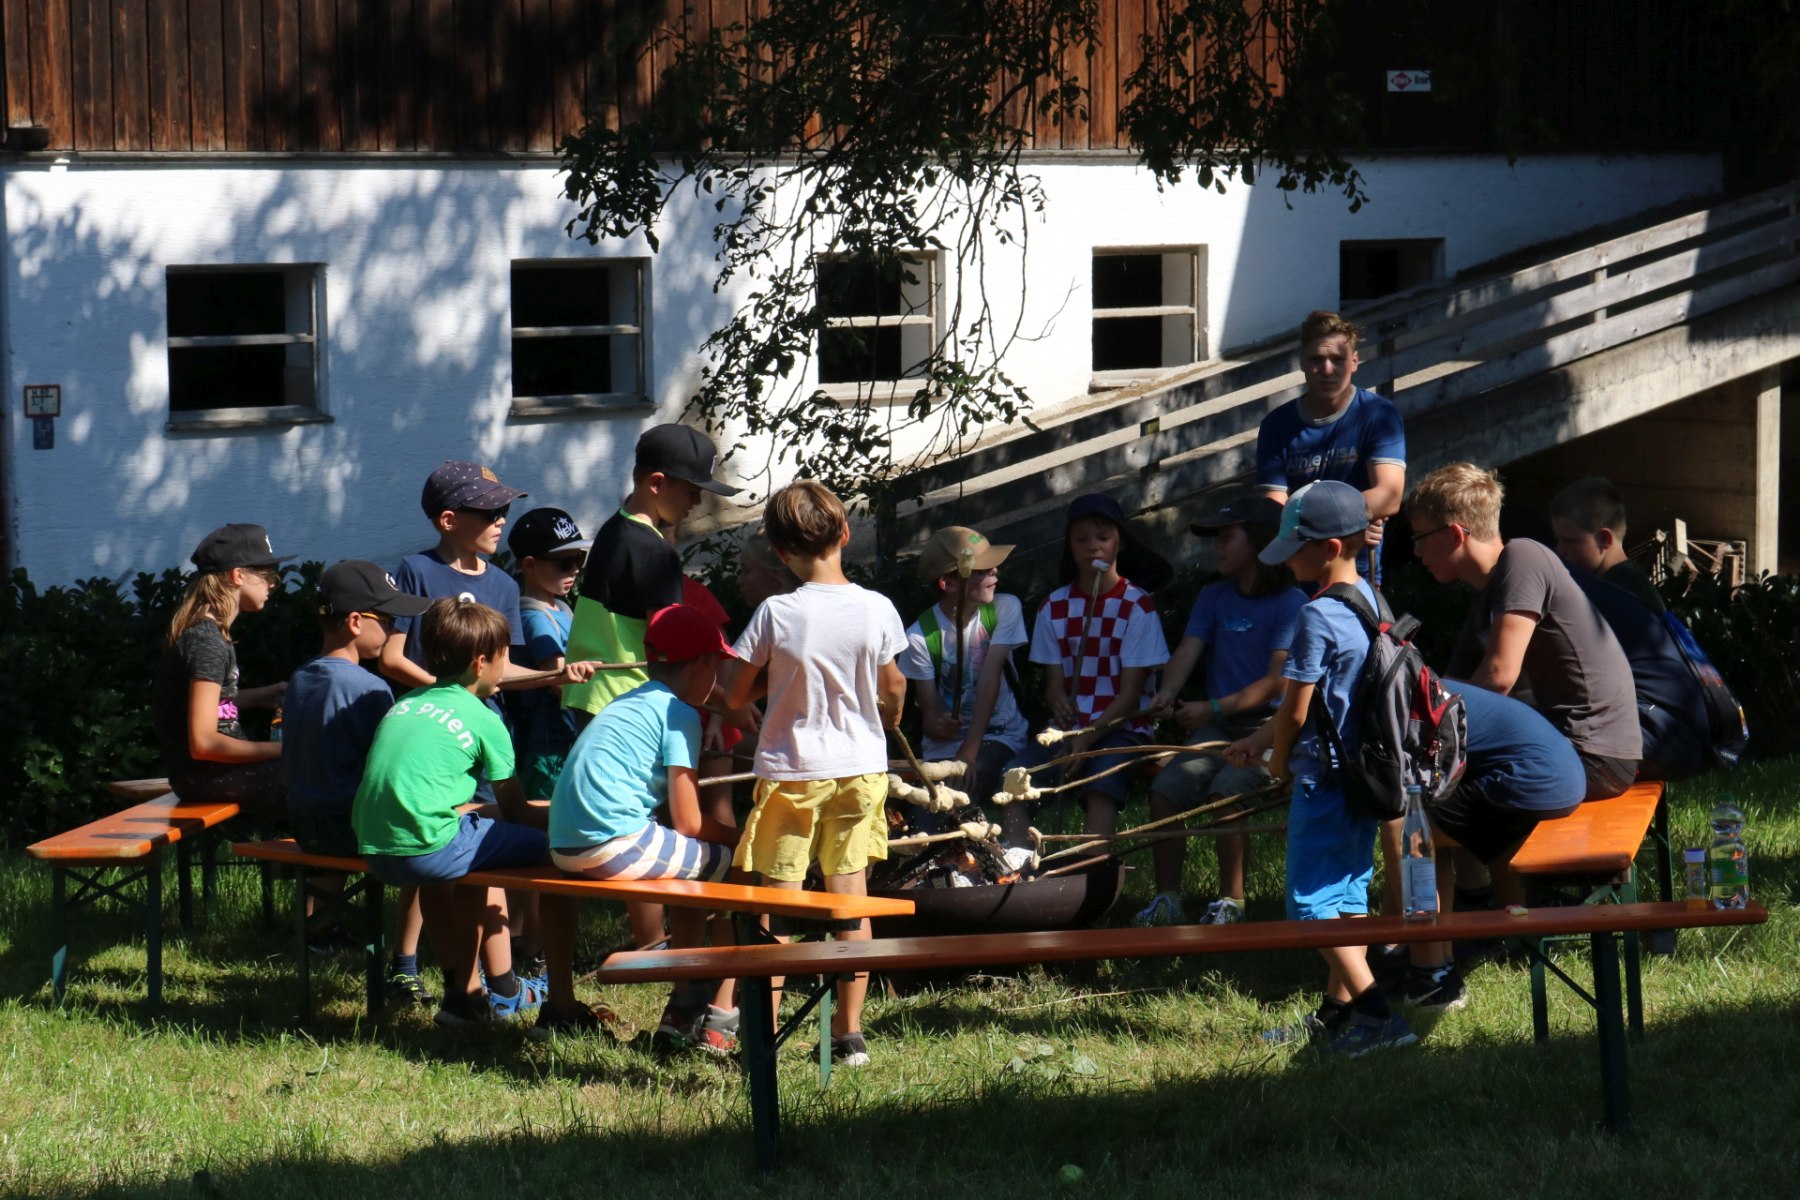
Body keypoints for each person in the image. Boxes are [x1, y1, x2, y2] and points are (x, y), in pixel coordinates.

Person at [378, 461, 595, 989]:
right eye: (488, 512)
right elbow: (391, 657)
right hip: (438, 738)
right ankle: (414, 965)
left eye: (503, 511)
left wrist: (554, 675)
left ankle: (490, 981)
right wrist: (452, 694)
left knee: (478, 854)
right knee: (434, 850)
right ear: (449, 520)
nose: (501, 520)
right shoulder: (415, 571)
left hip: (484, 736)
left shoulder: (500, 583)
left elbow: (505, 668)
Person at [721, 480, 908, 1069]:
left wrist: (772, 683)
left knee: (777, 906)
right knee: (850, 899)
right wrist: (890, 715)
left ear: (781, 553)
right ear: (845, 534)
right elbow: (894, 685)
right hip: (860, 770)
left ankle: (764, 1040)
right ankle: (849, 1035)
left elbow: (733, 694)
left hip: (792, 772)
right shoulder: (877, 607)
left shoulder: (776, 612)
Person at [1226, 481, 1415, 1055]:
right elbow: (1326, 699)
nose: (1287, 562)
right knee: (1347, 896)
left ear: (1329, 548)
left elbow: (1297, 708)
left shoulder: (1317, 615)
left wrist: (1277, 761)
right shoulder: (1373, 602)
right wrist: (1258, 738)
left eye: (1295, 550)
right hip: (1364, 776)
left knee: (1310, 906)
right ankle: (1337, 1015)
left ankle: (1380, 1017)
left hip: (1323, 781)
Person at [545, 604, 743, 1047]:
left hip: (564, 846)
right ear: (703, 664)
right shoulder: (679, 714)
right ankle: (718, 1013)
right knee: (743, 868)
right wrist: (745, 839)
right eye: (717, 665)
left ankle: (687, 997)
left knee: (696, 867)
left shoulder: (628, 701)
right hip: (614, 843)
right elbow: (689, 821)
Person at [352, 598, 556, 1026]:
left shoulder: (405, 704)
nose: (506, 667)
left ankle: (462, 995)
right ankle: (510, 984)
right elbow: (518, 811)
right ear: (481, 663)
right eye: (504, 658)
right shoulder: (484, 719)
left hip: (374, 847)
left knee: (466, 858)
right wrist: (561, 819)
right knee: (546, 848)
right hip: (428, 845)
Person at [1408, 463, 1642, 800]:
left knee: (1434, 797)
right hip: (1569, 752)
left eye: (1420, 537)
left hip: (1592, 755)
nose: (1416, 551)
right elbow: (1450, 689)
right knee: (1429, 786)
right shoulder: (1486, 599)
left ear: (1456, 534)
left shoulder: (1524, 558)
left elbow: (1498, 677)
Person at [1134, 494, 1304, 927]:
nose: (1218, 546)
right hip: (1219, 728)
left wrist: (1211, 708)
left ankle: (1232, 902)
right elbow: (1188, 650)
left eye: (1228, 537)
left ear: (1259, 542)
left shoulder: (1290, 602)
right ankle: (1168, 899)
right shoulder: (1214, 596)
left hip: (1270, 729)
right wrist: (1167, 693)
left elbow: (1277, 682)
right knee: (1165, 791)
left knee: (1225, 794)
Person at [282, 560, 432, 984]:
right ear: (354, 622)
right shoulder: (368, 688)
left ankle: (319, 930)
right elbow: (389, 765)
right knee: (432, 839)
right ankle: (405, 961)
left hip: (306, 823)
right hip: (352, 829)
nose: (393, 630)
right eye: (386, 620)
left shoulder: (301, 678)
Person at [1402, 681, 1586, 1012]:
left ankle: (1432, 972)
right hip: (1565, 777)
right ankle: (1507, 943)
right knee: (1438, 822)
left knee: (1416, 833)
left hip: (1537, 777)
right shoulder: (1430, 686)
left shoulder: (1407, 702)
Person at [1007, 494, 1171, 840]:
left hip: (1124, 727)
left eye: (1102, 537)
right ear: (1069, 544)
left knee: (1100, 782)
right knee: (1015, 776)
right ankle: (1016, 861)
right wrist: (1058, 701)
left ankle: (1092, 864)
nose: (1092, 546)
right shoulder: (1054, 606)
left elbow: (1130, 696)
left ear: (1120, 542)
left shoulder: (1137, 606)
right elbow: (1054, 686)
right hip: (1068, 729)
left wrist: (1087, 738)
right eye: (1081, 539)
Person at [562, 424, 742, 724]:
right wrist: (726, 702)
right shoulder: (655, 552)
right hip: (630, 700)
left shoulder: (612, 530)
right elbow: (672, 645)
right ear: (657, 483)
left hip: (592, 693)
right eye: (692, 492)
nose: (697, 502)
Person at [896, 526, 1030, 841]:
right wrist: (936, 724)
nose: (995, 572)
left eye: (992, 566)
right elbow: (929, 715)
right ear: (948, 583)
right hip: (944, 749)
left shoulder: (1004, 608)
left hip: (1000, 734)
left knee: (971, 776)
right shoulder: (919, 636)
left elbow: (990, 677)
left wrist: (968, 752)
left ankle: (1005, 851)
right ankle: (930, 855)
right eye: (982, 569)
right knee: (931, 803)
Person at [151, 524, 289, 824]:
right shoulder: (206, 641)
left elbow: (209, 705)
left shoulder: (207, 633)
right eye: (267, 575)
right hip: (206, 777)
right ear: (237, 575)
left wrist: (263, 695)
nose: (272, 584)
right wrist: (283, 750)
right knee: (322, 783)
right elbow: (204, 743)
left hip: (205, 776)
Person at [1255, 310, 1406, 563]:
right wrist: (1349, 521)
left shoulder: (1379, 415)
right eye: (1317, 359)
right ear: (1302, 362)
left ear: (1354, 362)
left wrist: (1308, 522)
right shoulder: (1276, 425)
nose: (1327, 369)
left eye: (1337, 359)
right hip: (1297, 564)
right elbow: (1273, 506)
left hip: (1355, 566)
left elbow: (1389, 497)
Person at [504, 506, 592, 800]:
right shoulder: (534, 617)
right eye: (565, 562)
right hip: (549, 747)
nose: (575, 569)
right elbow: (559, 679)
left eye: (579, 558)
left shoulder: (561, 607)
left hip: (565, 737)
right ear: (529, 564)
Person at [1549, 476, 1665, 612]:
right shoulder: (1624, 581)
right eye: (1558, 540)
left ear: (1604, 539)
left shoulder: (1615, 594)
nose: (1559, 550)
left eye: (1569, 541)